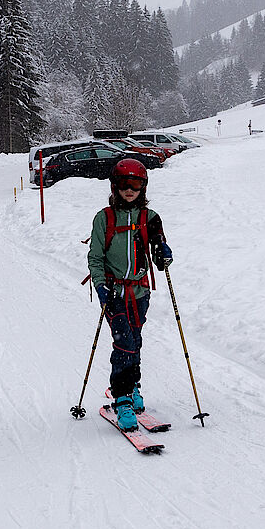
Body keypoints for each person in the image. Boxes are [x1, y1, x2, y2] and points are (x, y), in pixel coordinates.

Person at [87, 159, 173, 432]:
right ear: (115, 186)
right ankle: (122, 398)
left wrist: (164, 254)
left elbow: (159, 249)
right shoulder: (104, 218)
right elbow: (95, 256)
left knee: (134, 339)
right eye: (124, 185)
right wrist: (100, 285)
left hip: (140, 290)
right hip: (114, 290)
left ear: (143, 187)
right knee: (123, 341)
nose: (129, 190)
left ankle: (133, 385)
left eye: (135, 185)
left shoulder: (150, 218)